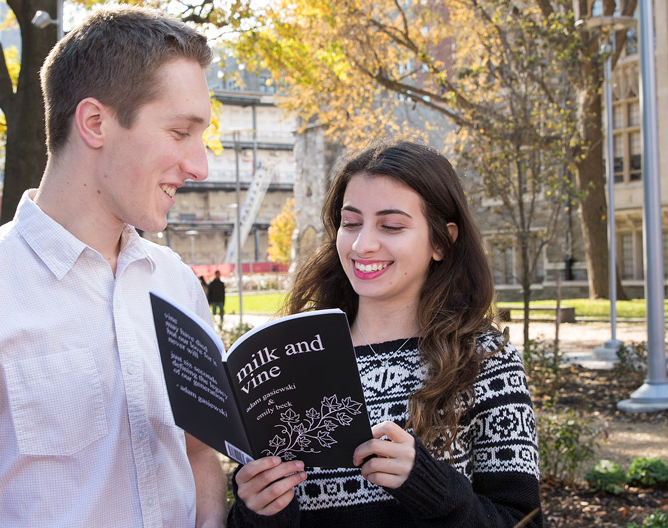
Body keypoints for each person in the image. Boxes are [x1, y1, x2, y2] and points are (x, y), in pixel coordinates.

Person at [0, 6, 226, 527]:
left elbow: (197, 452)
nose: (200, 165)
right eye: (179, 133)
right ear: (95, 122)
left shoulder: (175, 284)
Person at [227, 140, 541, 527]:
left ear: (442, 241)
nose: (363, 245)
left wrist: (428, 485)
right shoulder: (290, 361)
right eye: (351, 222)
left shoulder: (485, 360)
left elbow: (522, 520)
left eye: (391, 226)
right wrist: (257, 509)